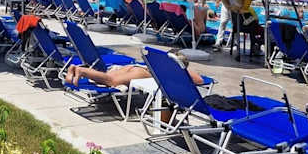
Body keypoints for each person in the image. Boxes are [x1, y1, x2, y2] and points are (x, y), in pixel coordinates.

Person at [65, 50, 204, 88]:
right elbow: (199, 80)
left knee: (107, 76)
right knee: (111, 81)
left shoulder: (162, 63)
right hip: (142, 73)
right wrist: (183, 70)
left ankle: (75, 69)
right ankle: (81, 71)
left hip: (136, 67)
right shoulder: (175, 70)